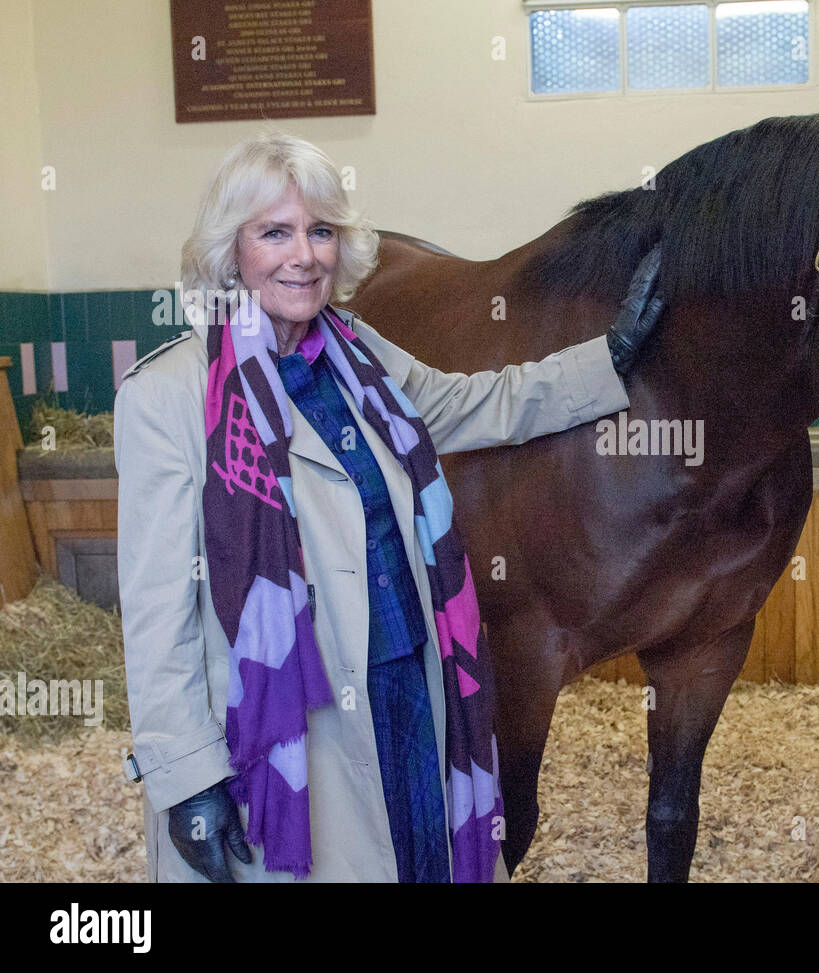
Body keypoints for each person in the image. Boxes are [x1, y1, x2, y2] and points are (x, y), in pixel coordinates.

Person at [115, 132, 664, 882]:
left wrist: (615, 353)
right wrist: (185, 776)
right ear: (230, 251)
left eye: (320, 231)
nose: (303, 255)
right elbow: (156, 612)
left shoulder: (360, 358)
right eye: (274, 232)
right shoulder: (169, 399)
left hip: (411, 691)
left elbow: (481, 402)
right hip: (290, 730)